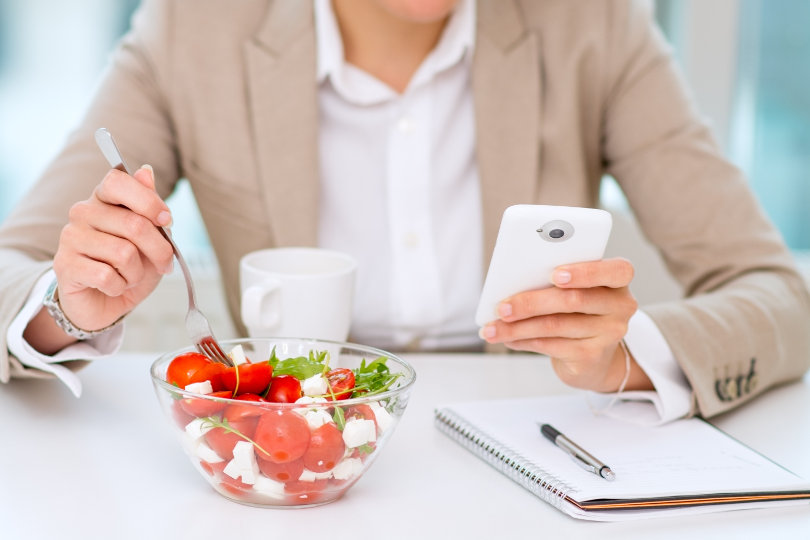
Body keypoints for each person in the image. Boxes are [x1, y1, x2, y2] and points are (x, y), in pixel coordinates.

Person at [0, 0, 808, 422]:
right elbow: (13, 269)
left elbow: (779, 295)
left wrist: (629, 358)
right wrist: (69, 307)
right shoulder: (195, 28)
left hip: (534, 466)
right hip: (292, 467)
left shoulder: (592, 22)